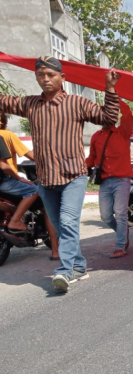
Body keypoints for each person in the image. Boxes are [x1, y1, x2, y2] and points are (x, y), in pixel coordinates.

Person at [0, 56, 120, 292]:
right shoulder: (29, 104)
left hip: (73, 177)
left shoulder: (77, 103)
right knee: (59, 225)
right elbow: (3, 102)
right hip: (45, 180)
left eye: (51, 75)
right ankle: (78, 265)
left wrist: (110, 89)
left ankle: (66, 270)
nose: (45, 79)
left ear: (62, 78)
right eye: (41, 75)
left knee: (67, 221)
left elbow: (109, 117)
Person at [0, 115, 59, 260]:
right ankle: (56, 252)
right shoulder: (6, 134)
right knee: (45, 203)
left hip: (8, 182)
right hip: (8, 179)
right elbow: (28, 155)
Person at [85, 102, 133, 258]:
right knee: (105, 216)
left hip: (122, 180)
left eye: (108, 114)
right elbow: (92, 158)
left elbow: (128, 116)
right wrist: (81, 168)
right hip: (105, 181)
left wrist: (116, 101)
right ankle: (123, 232)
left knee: (120, 214)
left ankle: (120, 245)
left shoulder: (123, 132)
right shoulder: (95, 137)